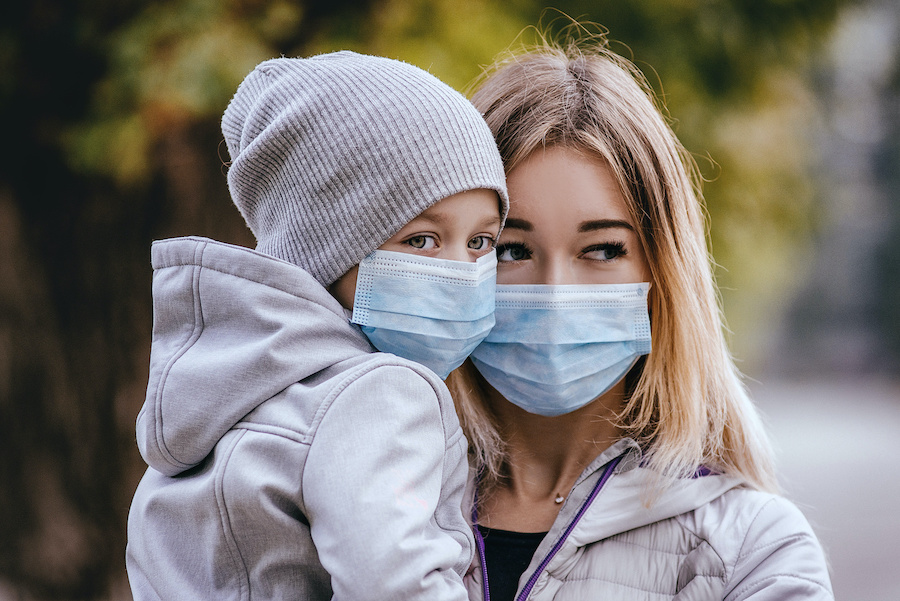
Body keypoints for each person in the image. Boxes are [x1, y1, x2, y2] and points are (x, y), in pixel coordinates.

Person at [445, 33, 834, 600]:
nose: (555, 293)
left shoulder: (751, 552)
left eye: (602, 249)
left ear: (665, 272)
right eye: (510, 250)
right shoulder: (354, 498)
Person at [125, 51, 508, 600]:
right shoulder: (377, 392)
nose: (461, 273)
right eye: (421, 240)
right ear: (327, 245)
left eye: (481, 242)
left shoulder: (215, 394)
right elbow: (396, 586)